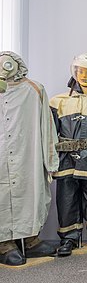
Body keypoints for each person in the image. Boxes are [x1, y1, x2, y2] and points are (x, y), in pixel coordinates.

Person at [0, 51, 59, 265]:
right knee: (3, 197)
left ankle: (30, 239)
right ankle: (5, 244)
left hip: (28, 155)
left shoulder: (34, 90)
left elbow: (47, 126)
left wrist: (51, 161)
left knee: (30, 193)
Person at [50, 53, 87, 256]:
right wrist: (49, 162)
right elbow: (49, 135)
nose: (85, 76)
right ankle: (68, 239)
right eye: (81, 71)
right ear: (74, 72)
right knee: (66, 199)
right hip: (64, 159)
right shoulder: (57, 102)